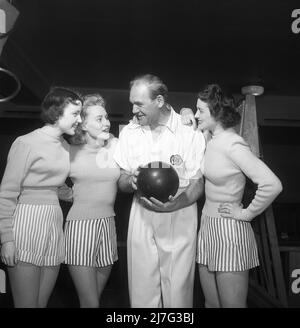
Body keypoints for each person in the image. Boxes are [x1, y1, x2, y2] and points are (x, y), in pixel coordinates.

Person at [180, 84, 283, 307]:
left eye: (201, 110)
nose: (197, 114)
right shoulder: (210, 138)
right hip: (208, 226)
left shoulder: (233, 144)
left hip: (229, 230)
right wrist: (187, 113)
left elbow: (272, 184)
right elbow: (187, 121)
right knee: (211, 305)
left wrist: (246, 213)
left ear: (217, 113)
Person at [113, 74, 206, 308]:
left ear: (160, 101)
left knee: (177, 293)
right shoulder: (129, 133)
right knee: (141, 289)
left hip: (180, 212)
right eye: (132, 103)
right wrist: (130, 181)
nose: (133, 110)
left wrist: (177, 203)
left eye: (139, 104)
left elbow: (197, 182)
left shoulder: (189, 132)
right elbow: (121, 180)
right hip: (141, 212)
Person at [0, 87, 83, 307]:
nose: (80, 119)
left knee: (40, 304)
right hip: (26, 223)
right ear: (57, 113)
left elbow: (57, 187)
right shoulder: (26, 142)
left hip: (53, 224)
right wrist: (6, 239)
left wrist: (84, 194)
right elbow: (6, 194)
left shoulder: (65, 146)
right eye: (75, 113)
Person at [59, 94, 119, 308]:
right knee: (90, 302)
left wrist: (185, 113)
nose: (107, 122)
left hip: (109, 225)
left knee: (93, 301)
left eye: (106, 117)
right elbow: (52, 179)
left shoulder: (115, 145)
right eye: (99, 119)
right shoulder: (69, 151)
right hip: (81, 226)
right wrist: (71, 195)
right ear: (83, 124)